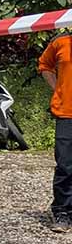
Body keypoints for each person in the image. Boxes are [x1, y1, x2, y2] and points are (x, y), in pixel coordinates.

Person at [38, 33, 72, 232]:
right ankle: (62, 211)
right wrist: (57, 88)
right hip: (67, 112)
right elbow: (44, 65)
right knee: (65, 165)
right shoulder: (61, 42)